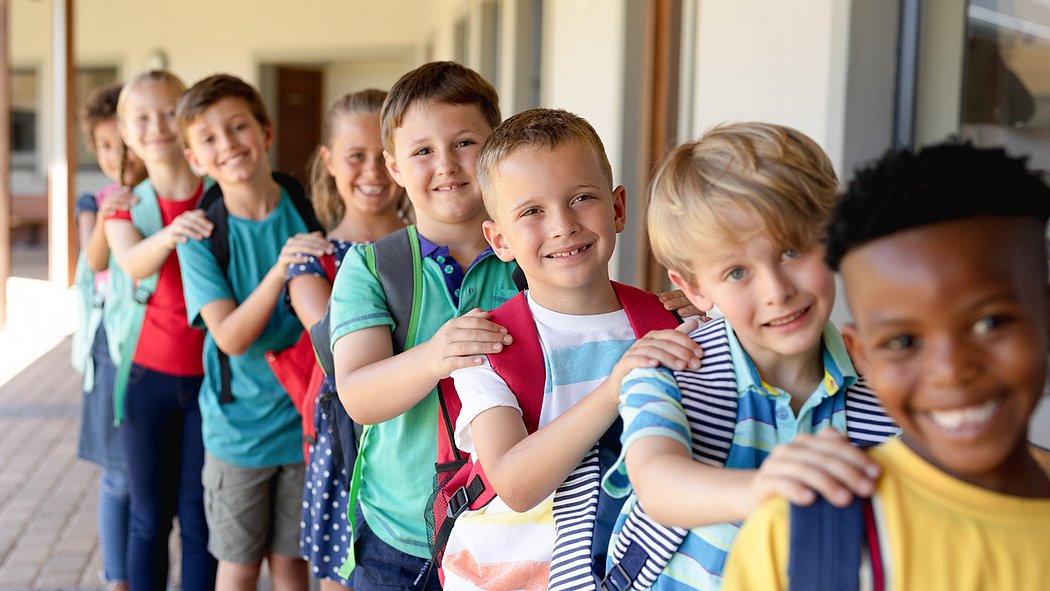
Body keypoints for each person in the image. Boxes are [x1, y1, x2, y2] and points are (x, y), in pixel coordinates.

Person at [723, 141, 1050, 590]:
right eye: (903, 341)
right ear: (862, 355)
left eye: (989, 323)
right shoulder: (801, 539)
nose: (951, 370)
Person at [602, 122, 897, 590]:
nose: (777, 291)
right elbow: (658, 482)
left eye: (792, 250)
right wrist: (763, 488)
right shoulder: (671, 370)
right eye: (737, 272)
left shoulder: (883, 386)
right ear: (695, 289)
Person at [441, 108, 702, 590]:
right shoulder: (489, 347)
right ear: (499, 239)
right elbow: (516, 485)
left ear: (618, 208)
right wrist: (613, 389)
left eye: (582, 198)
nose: (562, 225)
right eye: (531, 212)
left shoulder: (672, 326)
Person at [329, 61, 517, 591]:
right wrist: (434, 356)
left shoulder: (534, 256)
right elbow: (359, 395)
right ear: (394, 168)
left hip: (513, 531)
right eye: (422, 151)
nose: (447, 165)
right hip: (398, 538)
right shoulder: (371, 267)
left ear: (497, 147)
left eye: (465, 142)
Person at [176, 73, 330, 591]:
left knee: (291, 562)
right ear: (196, 159)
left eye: (238, 127)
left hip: (303, 422)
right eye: (209, 139)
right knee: (239, 567)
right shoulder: (200, 237)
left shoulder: (305, 205)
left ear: (265, 132)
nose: (228, 145)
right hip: (237, 432)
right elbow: (230, 337)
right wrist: (280, 271)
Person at [287, 88, 409, 591]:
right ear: (329, 161)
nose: (373, 172)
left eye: (383, 156)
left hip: (433, 439)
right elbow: (338, 345)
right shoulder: (310, 259)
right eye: (356, 156)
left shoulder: (446, 246)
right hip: (349, 446)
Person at [103, 70, 216, 591]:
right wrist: (171, 232)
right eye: (140, 118)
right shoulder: (123, 203)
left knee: (199, 519)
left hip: (213, 382)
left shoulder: (218, 192)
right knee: (149, 518)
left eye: (168, 111)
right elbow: (130, 262)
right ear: (126, 132)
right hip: (146, 380)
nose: (156, 126)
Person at [73, 81, 146, 591]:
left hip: (157, 348)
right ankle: (117, 578)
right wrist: (109, 209)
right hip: (114, 350)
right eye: (105, 147)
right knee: (118, 476)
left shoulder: (164, 194)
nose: (118, 156)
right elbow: (96, 258)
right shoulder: (96, 202)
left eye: (125, 144)